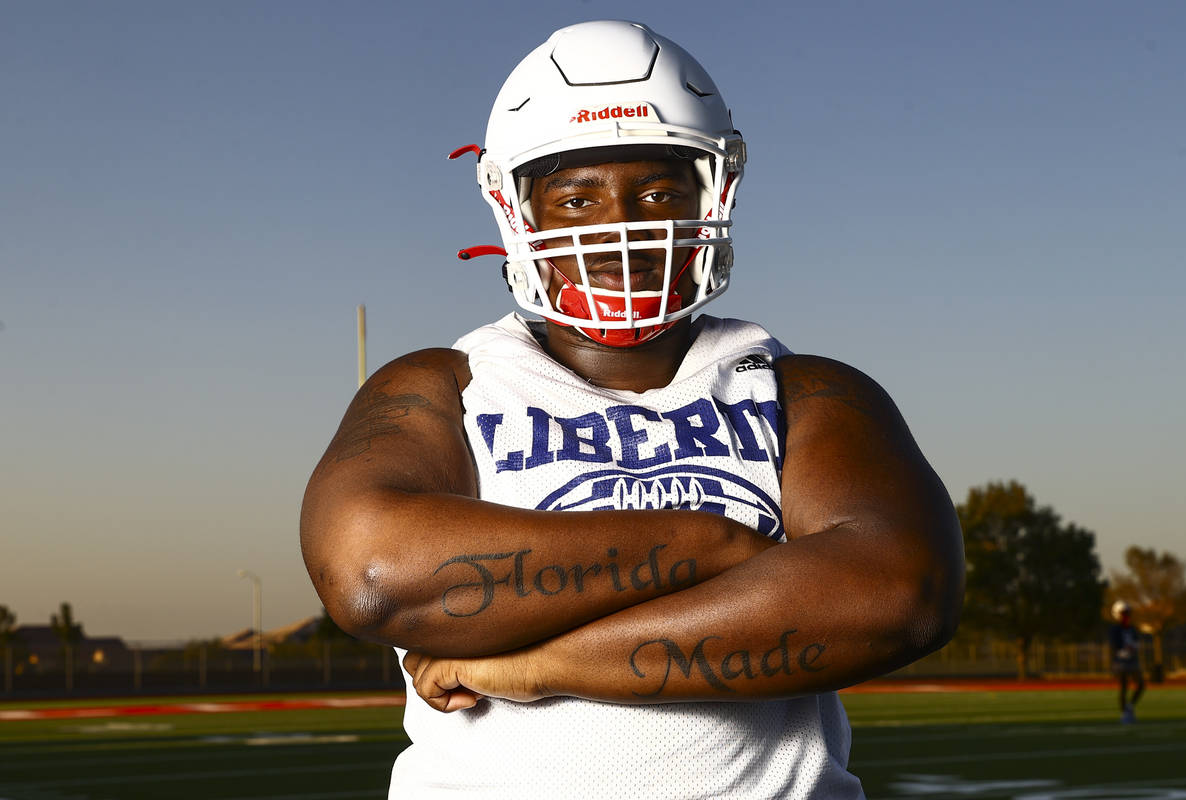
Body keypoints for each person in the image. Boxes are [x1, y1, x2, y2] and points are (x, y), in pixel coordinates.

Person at [300, 20, 964, 799]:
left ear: (712, 192)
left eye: (655, 192)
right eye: (578, 198)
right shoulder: (439, 386)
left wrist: (530, 664)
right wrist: (720, 546)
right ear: (517, 211)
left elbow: (899, 597)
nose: (621, 227)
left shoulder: (809, 391)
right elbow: (373, 576)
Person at [1109, 600, 1144, 724]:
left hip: (1133, 660)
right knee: (1124, 687)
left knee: (1141, 684)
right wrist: (1124, 651)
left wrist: (1134, 647)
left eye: (1127, 613)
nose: (1127, 616)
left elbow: (1137, 642)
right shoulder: (1115, 629)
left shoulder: (1132, 629)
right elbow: (1114, 646)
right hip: (1121, 662)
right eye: (1124, 613)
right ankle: (1125, 714)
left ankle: (1129, 707)